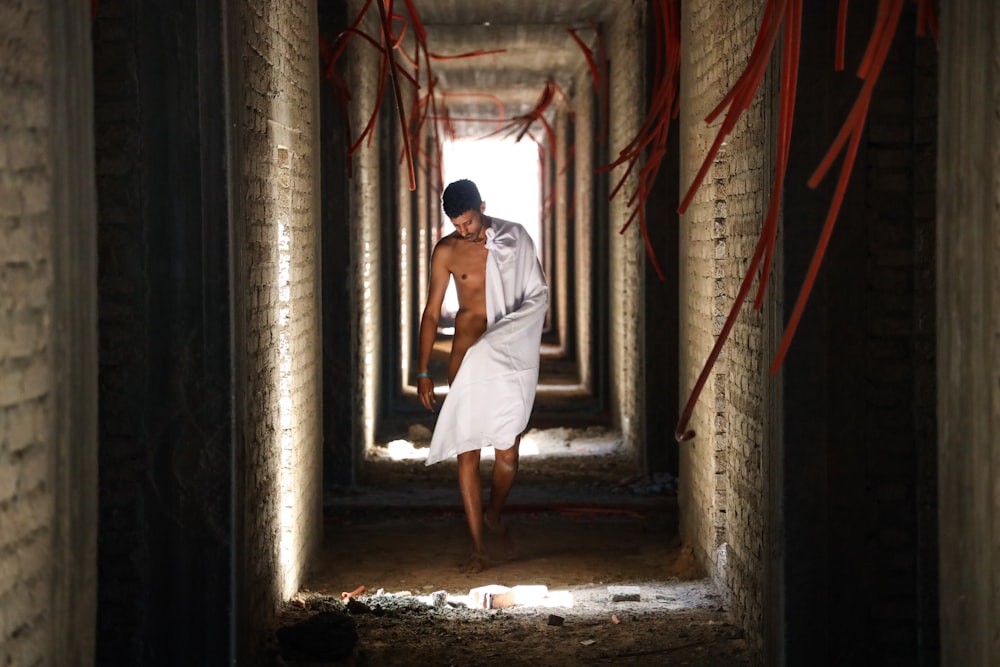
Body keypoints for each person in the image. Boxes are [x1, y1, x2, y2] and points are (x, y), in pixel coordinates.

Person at [416, 179, 548, 572]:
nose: (464, 231)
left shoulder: (515, 238)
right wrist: (423, 371)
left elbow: (536, 295)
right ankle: (478, 546)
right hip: (467, 356)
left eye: (469, 222)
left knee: (507, 451)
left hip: (506, 356)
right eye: (457, 225)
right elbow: (431, 311)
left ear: (482, 207)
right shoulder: (447, 251)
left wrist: (505, 337)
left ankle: (495, 512)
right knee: (467, 450)